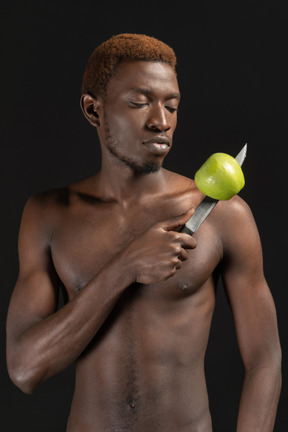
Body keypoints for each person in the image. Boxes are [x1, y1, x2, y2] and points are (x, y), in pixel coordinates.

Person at [6, 33, 281, 432]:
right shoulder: (48, 216)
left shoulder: (224, 215)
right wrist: (124, 267)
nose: (162, 121)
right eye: (140, 102)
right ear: (93, 109)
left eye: (172, 105)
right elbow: (26, 369)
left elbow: (264, 359)